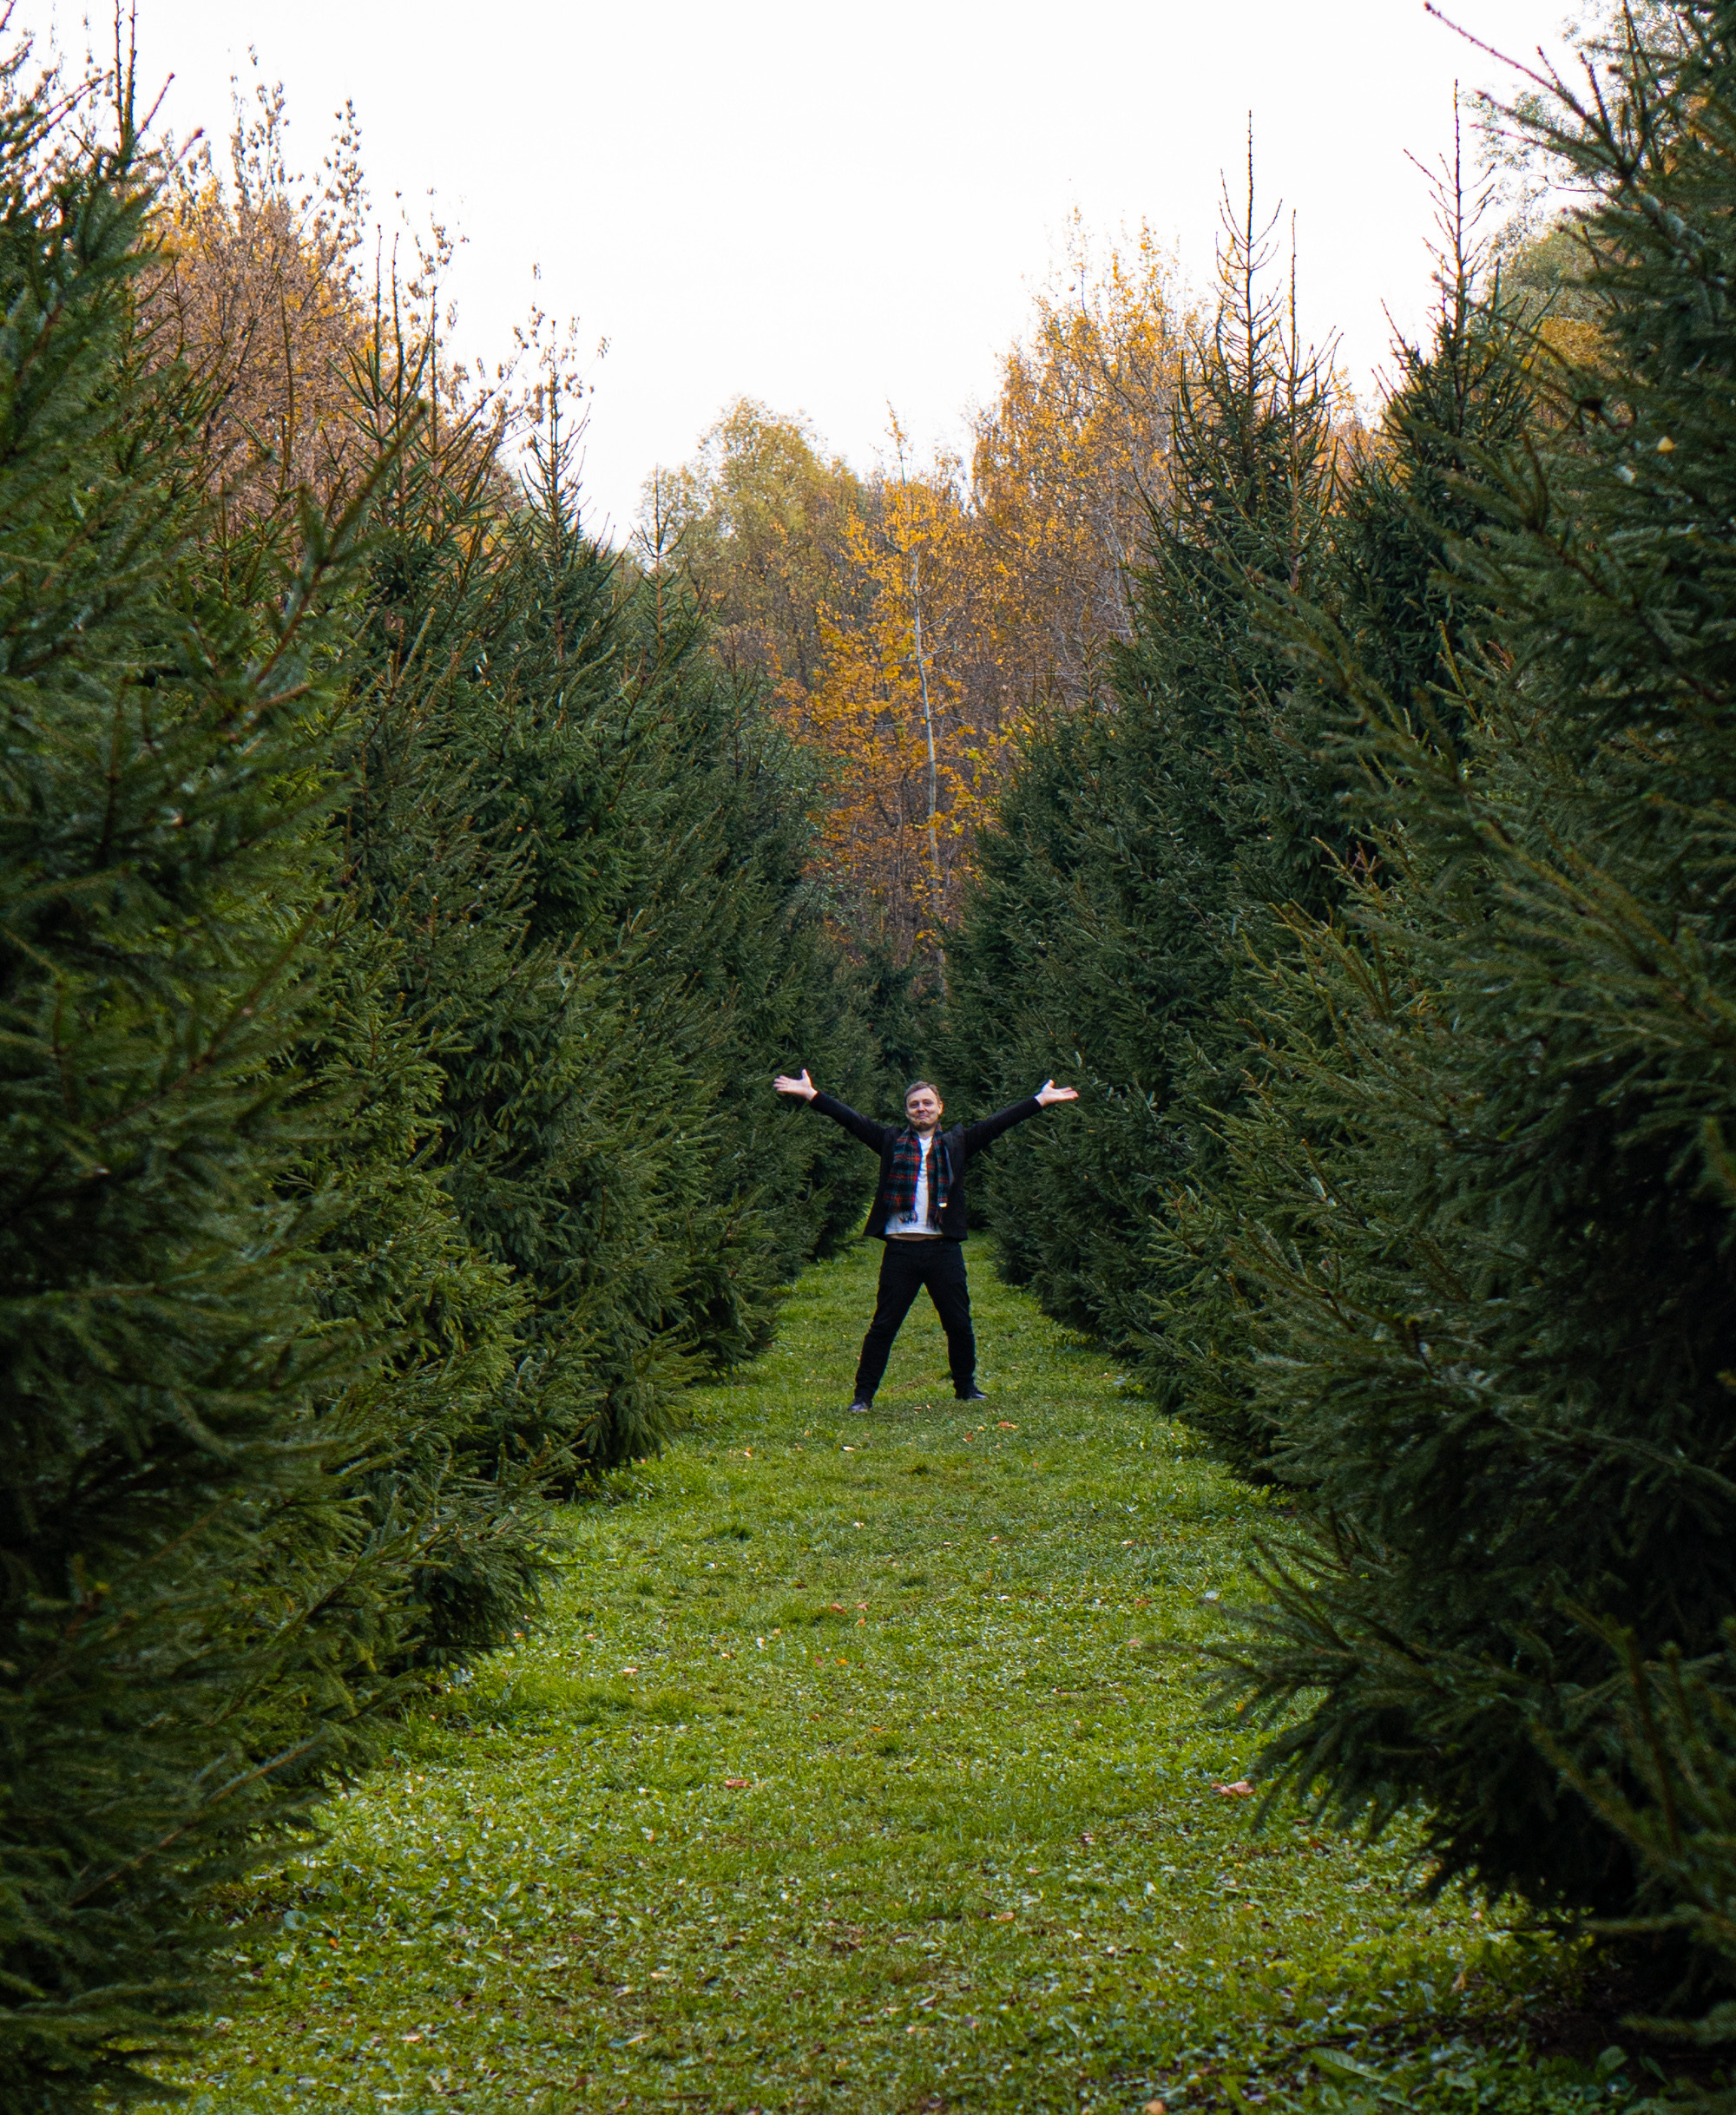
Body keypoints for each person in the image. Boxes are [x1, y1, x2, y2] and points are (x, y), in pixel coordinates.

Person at [773, 1068, 1080, 1414]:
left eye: (928, 1103)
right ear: (907, 1112)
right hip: (901, 1250)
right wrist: (812, 1095)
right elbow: (852, 1120)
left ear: (940, 1108)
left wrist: (1040, 1100)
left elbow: (998, 1123)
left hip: (943, 1250)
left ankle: (966, 1388)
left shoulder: (958, 1143)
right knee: (884, 1326)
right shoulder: (890, 1141)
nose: (922, 1109)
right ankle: (863, 1397)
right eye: (915, 1104)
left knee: (959, 1324)